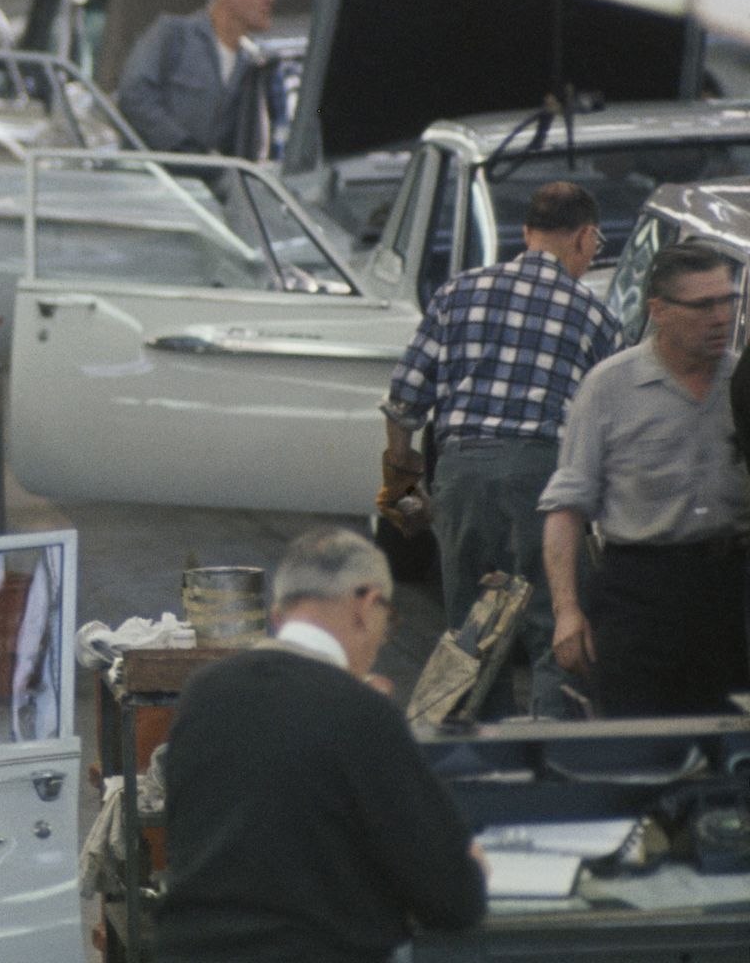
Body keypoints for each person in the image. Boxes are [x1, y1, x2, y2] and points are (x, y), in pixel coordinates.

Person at [157, 528, 487, 963]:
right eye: (389, 621)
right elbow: (453, 902)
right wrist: (472, 864)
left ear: (278, 614)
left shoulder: (202, 694)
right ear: (367, 605)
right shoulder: (362, 713)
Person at [380, 182, 620, 719]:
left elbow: (405, 399)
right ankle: (547, 755)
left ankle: (479, 757)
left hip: (461, 474)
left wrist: (402, 478)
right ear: (585, 238)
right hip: (544, 481)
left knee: (471, 631)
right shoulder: (597, 318)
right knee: (554, 627)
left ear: (527, 233)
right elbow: (608, 422)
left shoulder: (457, 291)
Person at [539, 241, 748, 717]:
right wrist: (566, 611)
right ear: (660, 311)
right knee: (638, 731)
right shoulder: (610, 386)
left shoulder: (741, 384)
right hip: (641, 590)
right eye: (703, 305)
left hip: (731, 590)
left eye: (728, 301)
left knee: (728, 735)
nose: (721, 317)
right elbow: (566, 507)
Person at [116, 0, 276, 158]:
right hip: (159, 172)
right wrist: (181, 146)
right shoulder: (173, 36)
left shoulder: (250, 63)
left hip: (216, 174)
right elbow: (134, 95)